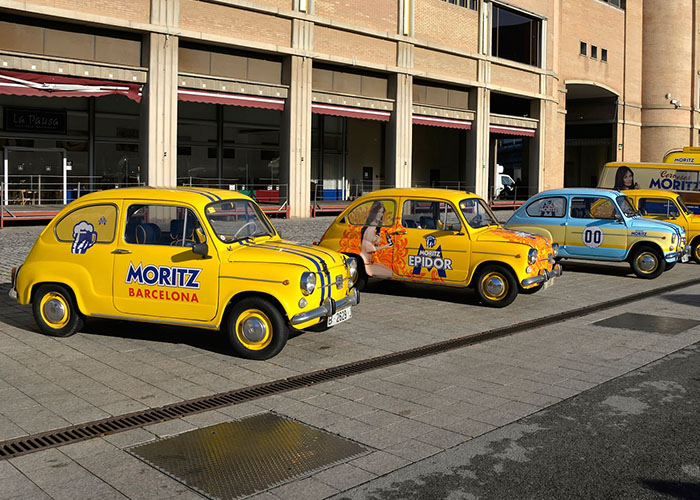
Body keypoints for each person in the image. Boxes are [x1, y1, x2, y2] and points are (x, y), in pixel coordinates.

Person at [360, 201, 394, 277]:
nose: (380, 215)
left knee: (390, 270)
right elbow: (368, 248)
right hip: (365, 262)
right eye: (379, 212)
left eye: (382, 212)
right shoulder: (371, 227)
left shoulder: (375, 227)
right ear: (374, 213)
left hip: (370, 261)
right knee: (389, 273)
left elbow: (373, 244)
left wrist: (377, 239)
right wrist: (386, 246)